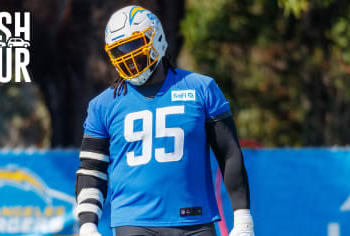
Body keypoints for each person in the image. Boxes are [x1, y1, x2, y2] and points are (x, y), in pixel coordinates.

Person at [75, 5, 254, 236]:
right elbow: (91, 169)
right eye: (120, 52)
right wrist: (88, 224)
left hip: (195, 220)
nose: (128, 59)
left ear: (156, 39)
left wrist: (243, 217)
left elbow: (229, 153)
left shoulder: (201, 88)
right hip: (134, 222)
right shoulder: (103, 105)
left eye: (133, 47)